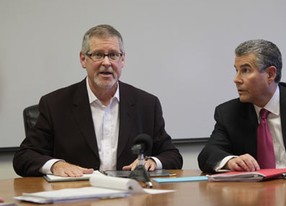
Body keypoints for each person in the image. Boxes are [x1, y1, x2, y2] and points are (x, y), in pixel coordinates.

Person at [13, 24, 183, 177]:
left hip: (131, 199)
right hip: (76, 199)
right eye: (98, 55)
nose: (107, 63)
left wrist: (152, 162)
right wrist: (56, 165)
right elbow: (24, 157)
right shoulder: (55, 104)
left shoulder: (147, 104)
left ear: (122, 60)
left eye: (114, 55)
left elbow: (172, 155)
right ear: (83, 59)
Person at [198, 39, 286, 174]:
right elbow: (208, 154)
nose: (236, 79)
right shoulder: (229, 113)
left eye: (245, 70)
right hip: (255, 192)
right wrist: (230, 161)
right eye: (236, 70)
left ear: (270, 74)